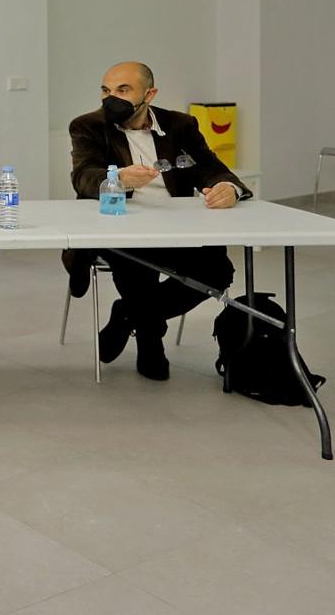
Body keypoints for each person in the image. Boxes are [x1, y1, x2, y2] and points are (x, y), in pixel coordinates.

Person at [65, 61, 250, 380]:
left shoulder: (180, 125)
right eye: (106, 90)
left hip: (176, 225)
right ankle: (151, 341)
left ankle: (128, 316)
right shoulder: (88, 126)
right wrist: (118, 178)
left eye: (123, 90)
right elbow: (83, 176)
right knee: (134, 265)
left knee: (218, 271)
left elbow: (210, 166)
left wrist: (228, 188)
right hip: (118, 226)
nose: (112, 98)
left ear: (149, 93)